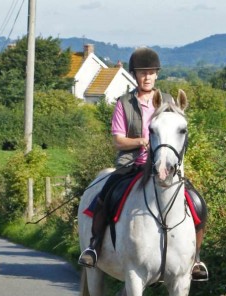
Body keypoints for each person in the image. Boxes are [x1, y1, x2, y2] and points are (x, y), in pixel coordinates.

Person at [78, 47, 209, 281]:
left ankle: (195, 258)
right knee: (106, 195)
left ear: (156, 74)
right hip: (132, 164)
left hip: (165, 166)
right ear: (134, 75)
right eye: (141, 72)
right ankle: (94, 246)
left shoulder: (167, 102)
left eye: (150, 72)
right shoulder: (124, 103)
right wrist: (141, 141)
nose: (146, 77)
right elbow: (118, 140)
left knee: (197, 203)